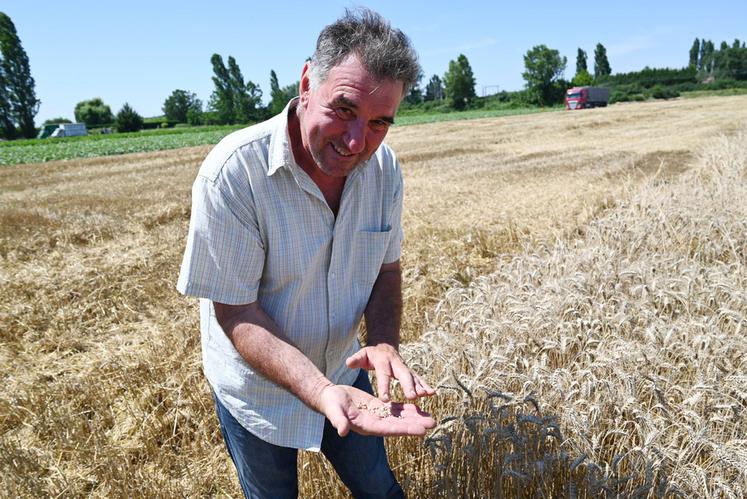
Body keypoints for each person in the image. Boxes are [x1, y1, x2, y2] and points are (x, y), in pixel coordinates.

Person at [177, 8, 435, 498]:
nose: (358, 141)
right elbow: (236, 311)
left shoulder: (384, 170)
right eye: (344, 109)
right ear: (306, 84)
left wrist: (382, 343)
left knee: (380, 489)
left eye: (380, 122)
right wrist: (319, 392)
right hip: (256, 394)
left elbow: (386, 268)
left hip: (344, 372)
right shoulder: (235, 174)